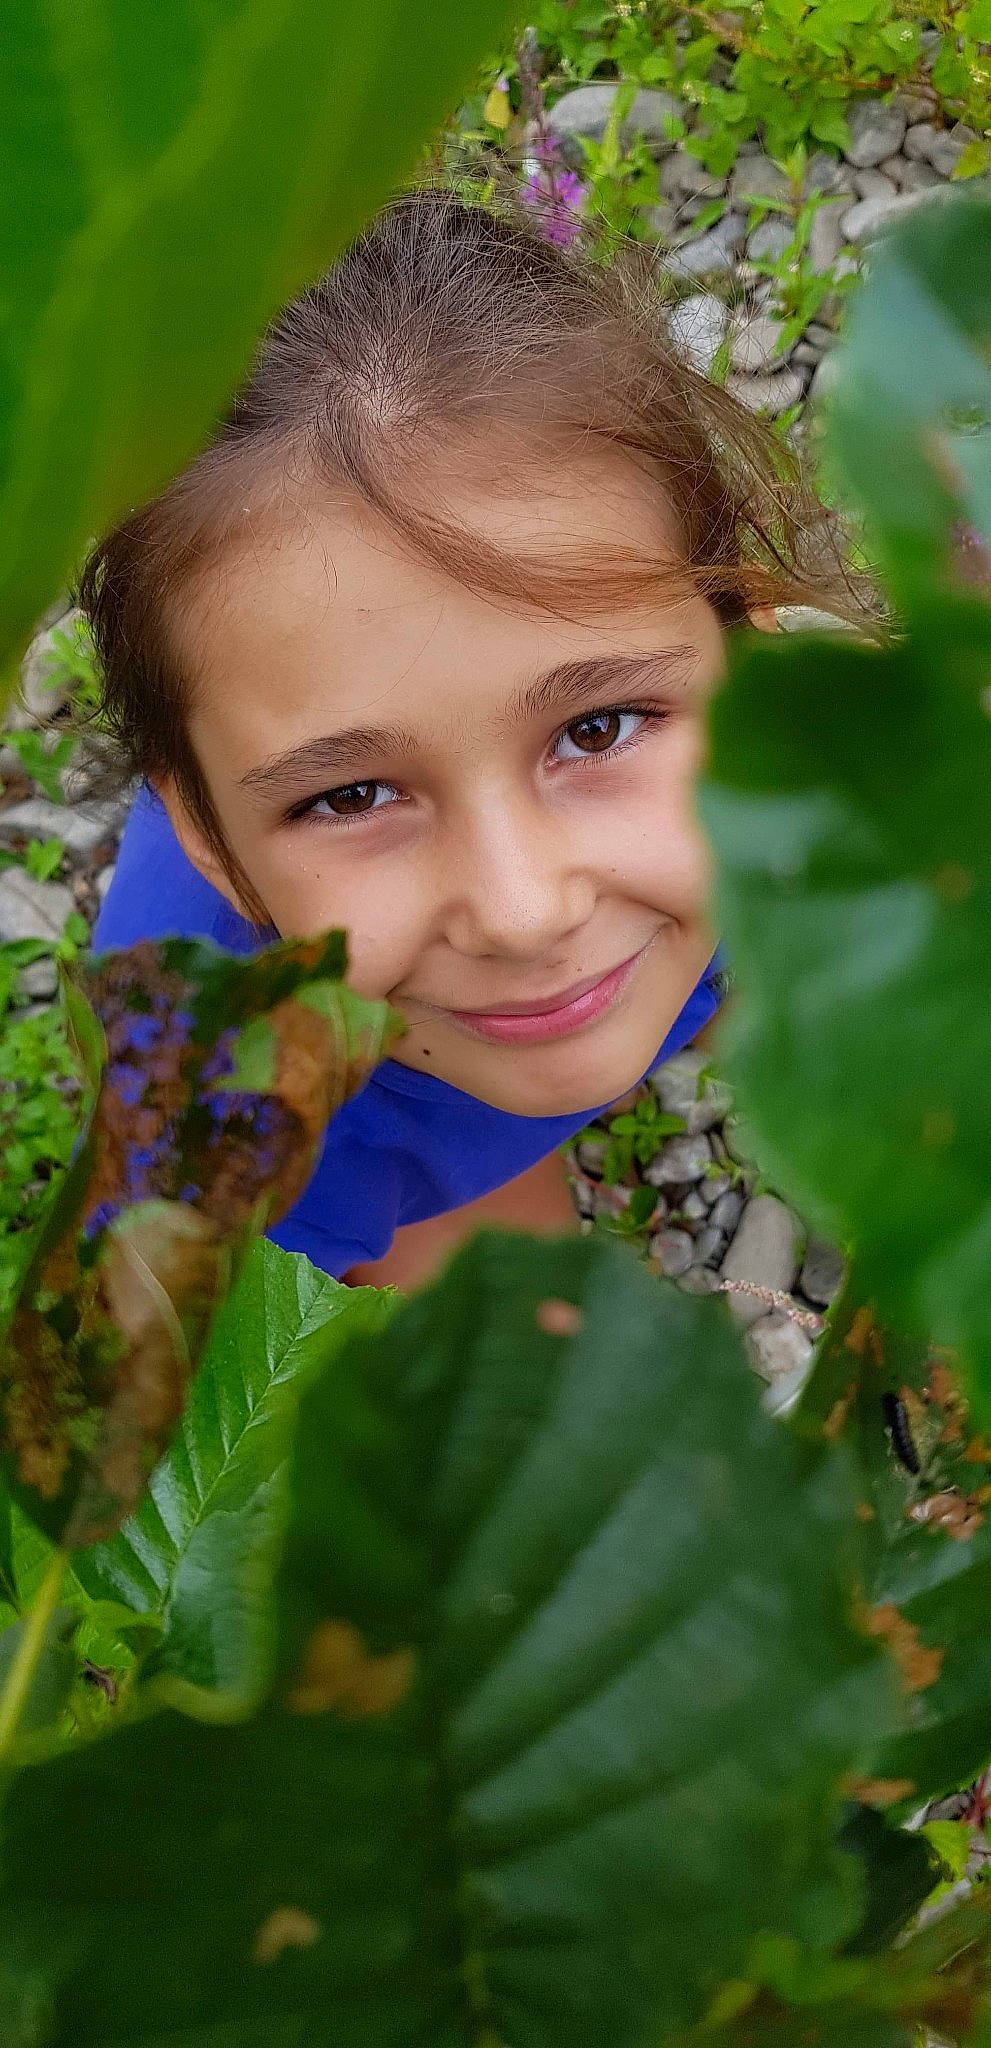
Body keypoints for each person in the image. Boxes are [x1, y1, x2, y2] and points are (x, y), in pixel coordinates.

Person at [82, 185, 857, 1291]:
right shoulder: (221, 1118)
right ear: (208, 840)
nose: (522, 909)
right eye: (349, 795)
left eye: (598, 726)